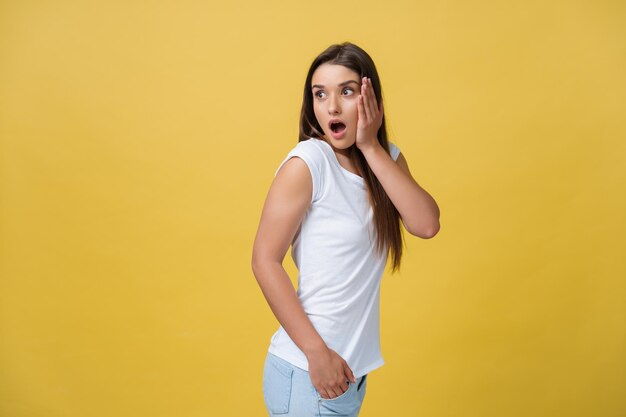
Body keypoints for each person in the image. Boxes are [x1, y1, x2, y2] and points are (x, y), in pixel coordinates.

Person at [251, 42, 440, 417]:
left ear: (371, 100)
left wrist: (370, 147)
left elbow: (426, 224)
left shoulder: (388, 158)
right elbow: (264, 260)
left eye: (347, 91)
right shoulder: (308, 163)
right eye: (320, 94)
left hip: (347, 376)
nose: (332, 107)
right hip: (309, 374)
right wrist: (316, 353)